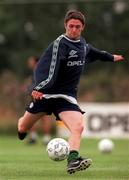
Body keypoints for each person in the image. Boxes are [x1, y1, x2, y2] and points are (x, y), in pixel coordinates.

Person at [18, 9, 124, 174]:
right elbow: (46, 70)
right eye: (71, 26)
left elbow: (93, 52)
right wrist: (37, 88)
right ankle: (22, 130)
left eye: (77, 27)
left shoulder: (82, 44)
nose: (74, 30)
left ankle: (73, 160)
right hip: (45, 94)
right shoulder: (59, 44)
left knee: (78, 126)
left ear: (83, 27)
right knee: (24, 126)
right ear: (65, 26)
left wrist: (110, 57)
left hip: (66, 97)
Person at [26, 56, 54, 145]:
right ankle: (35, 136)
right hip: (36, 96)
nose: (29, 63)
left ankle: (45, 137)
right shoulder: (36, 71)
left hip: (41, 96)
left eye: (30, 61)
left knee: (44, 117)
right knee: (32, 116)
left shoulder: (40, 70)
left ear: (36, 62)